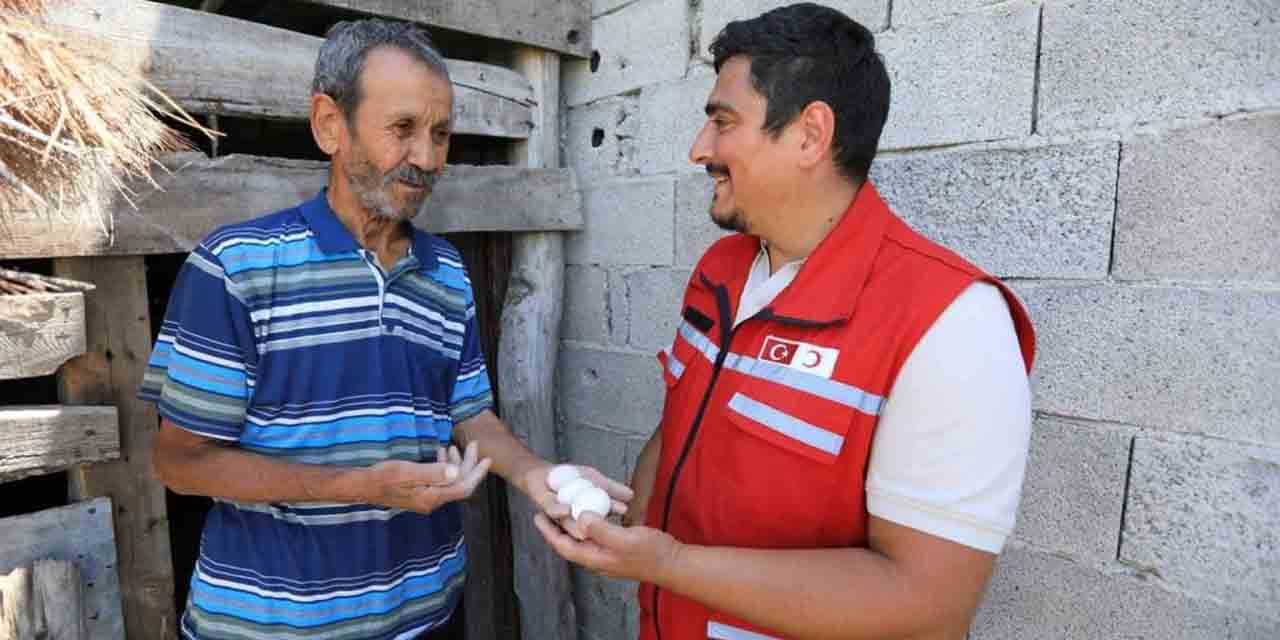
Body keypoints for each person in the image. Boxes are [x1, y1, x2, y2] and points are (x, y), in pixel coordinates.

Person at [535, 4, 1037, 639]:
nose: (699, 150)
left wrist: (668, 563)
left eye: (723, 123)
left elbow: (927, 601)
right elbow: (680, 427)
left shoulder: (952, 325)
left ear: (809, 135)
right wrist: (619, 528)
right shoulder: (719, 271)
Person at [141, 19, 630, 640]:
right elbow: (180, 463)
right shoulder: (235, 267)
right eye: (402, 129)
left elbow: (472, 416)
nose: (426, 158)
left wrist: (540, 475)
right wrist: (357, 487)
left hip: (425, 618)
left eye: (440, 133)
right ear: (329, 125)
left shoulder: (446, 271)